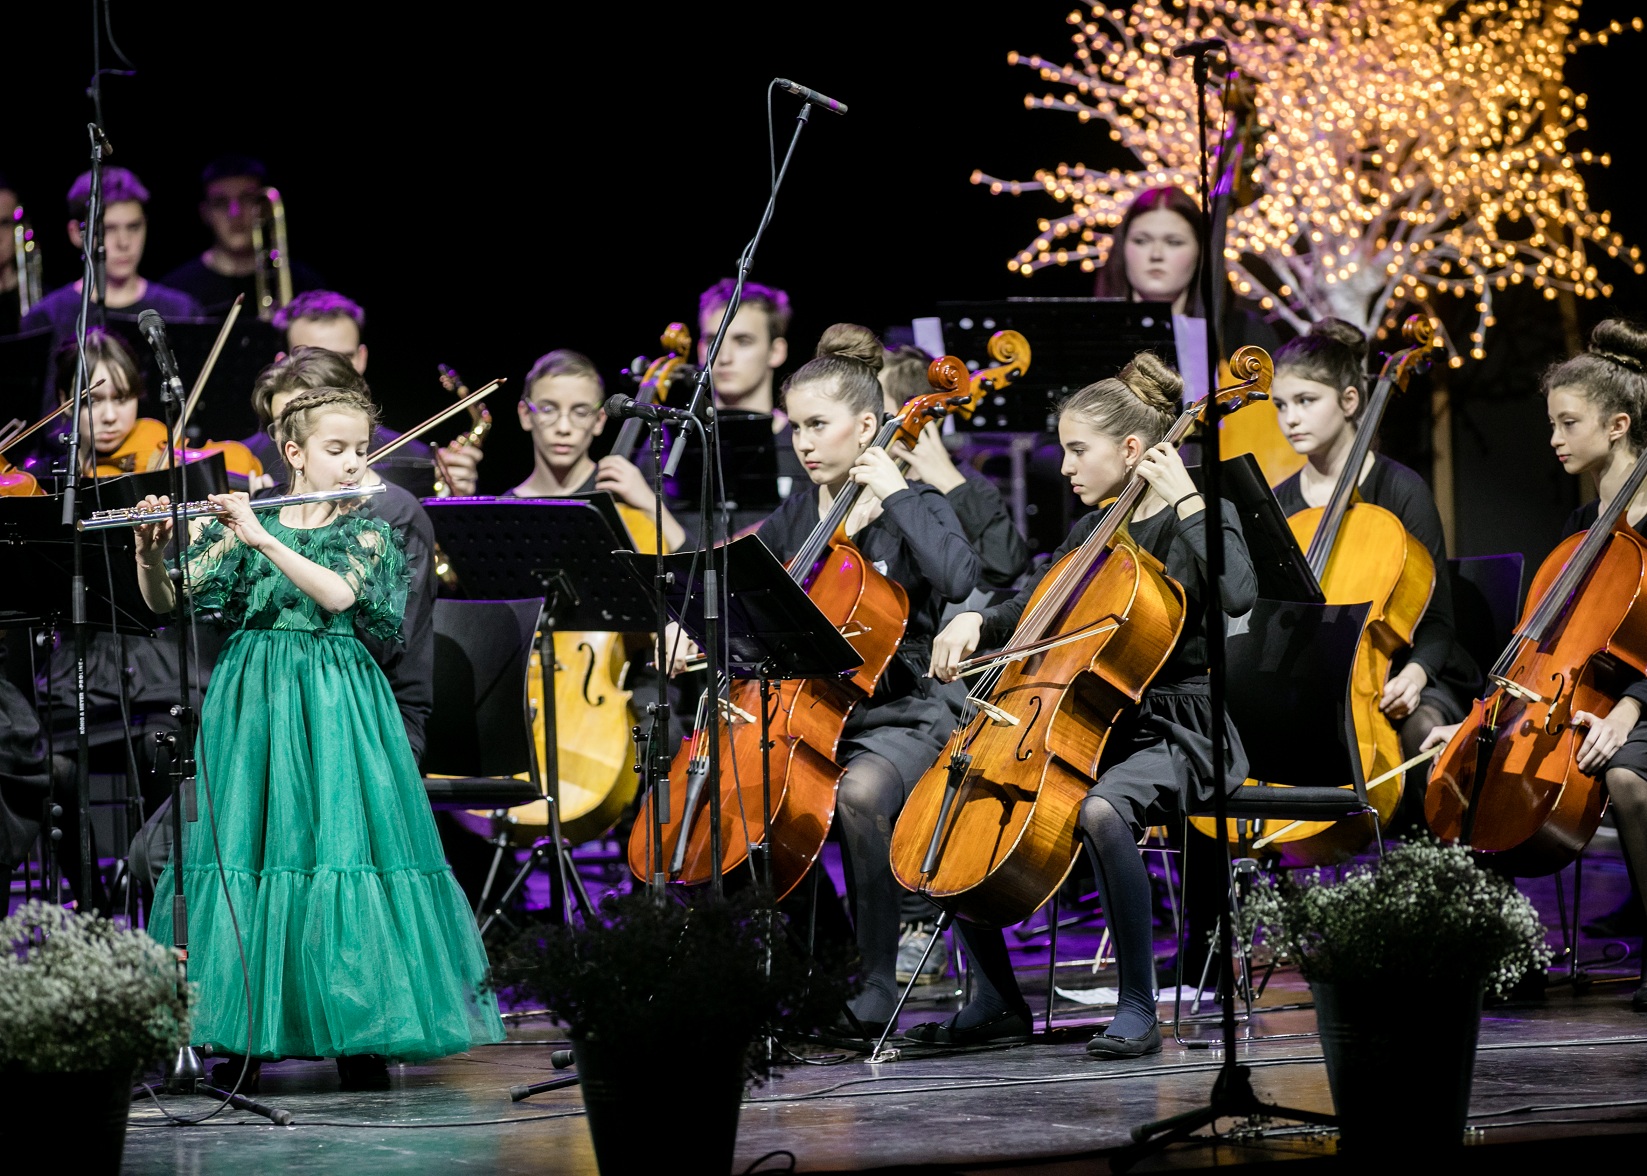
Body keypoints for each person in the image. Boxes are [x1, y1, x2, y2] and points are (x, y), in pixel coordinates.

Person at [135, 386, 505, 1089]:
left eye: (360, 449)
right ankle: (239, 1029)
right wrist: (148, 553)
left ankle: (358, 1033)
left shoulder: (366, 525)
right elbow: (167, 601)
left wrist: (261, 535)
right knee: (251, 851)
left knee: (339, 852)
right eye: (336, 450)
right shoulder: (247, 518)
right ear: (295, 453)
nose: (352, 463)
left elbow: (339, 596)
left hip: (337, 701)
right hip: (255, 704)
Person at [924, 352, 1257, 1058]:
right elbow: (1032, 604)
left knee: (1104, 809)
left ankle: (1137, 1004)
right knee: (959, 795)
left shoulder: (1203, 511)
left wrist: (1188, 502)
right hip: (1103, 723)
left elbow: (1237, 594)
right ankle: (994, 1000)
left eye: (1079, 449)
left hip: (1182, 726)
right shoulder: (1093, 530)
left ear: (1132, 449)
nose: (1066, 465)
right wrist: (975, 622)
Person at [713, 324, 978, 1036]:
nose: (802, 441)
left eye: (817, 425)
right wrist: (692, 624)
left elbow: (959, 576)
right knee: (754, 803)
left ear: (866, 426)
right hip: (826, 715)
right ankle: (822, 965)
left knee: (858, 795)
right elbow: (742, 578)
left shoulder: (914, 502)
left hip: (905, 715)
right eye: (796, 426)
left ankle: (876, 977)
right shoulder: (803, 509)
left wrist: (894, 493)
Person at [1423, 319, 1647, 1015]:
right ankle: (1510, 954)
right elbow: (1557, 647)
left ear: (1616, 425)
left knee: (1627, 778)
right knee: (1479, 768)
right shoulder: (1579, 524)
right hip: (1591, 697)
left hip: (1640, 699)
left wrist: (1629, 711)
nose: (1552, 437)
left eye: (1566, 422)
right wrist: (1480, 717)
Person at [1268, 318, 1479, 830]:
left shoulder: (1401, 490)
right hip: (1315, 682)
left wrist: (1415, 674)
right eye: (1280, 405)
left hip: (1401, 668)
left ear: (1348, 401)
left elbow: (1439, 622)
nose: (1290, 418)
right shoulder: (1281, 502)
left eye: (1305, 401)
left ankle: (1435, 877)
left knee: (1422, 728)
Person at [880, 342, 1032, 982]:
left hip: (962, 671)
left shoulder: (955, 489)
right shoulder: (857, 495)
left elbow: (1005, 567)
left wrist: (942, 472)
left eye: (881, 410)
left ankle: (927, 913)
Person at [1091, 185, 1294, 484]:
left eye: (1174, 242)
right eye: (1142, 241)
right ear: (1123, 249)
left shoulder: (1244, 333)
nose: (1156, 255)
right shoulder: (1094, 335)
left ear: (1200, 253)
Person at [244, 291, 478, 494]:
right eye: (313, 356)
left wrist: (455, 495)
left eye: (343, 358)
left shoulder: (418, 458)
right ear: (284, 363)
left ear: (362, 358)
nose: (331, 372)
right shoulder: (244, 460)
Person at [509, 348, 686, 550]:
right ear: (525, 414)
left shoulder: (624, 494)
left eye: (580, 411)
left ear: (599, 420)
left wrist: (649, 503)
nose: (563, 428)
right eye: (548, 409)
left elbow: (694, 575)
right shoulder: (502, 510)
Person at [19, 167, 202, 354]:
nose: (124, 243)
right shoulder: (46, 318)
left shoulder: (182, 311)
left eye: (133, 227)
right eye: (108, 229)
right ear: (76, 234)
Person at [160, 155, 326, 313]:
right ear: (205, 213)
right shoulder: (176, 291)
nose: (235, 213)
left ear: (264, 207)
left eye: (247, 198)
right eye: (221, 203)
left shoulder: (304, 284)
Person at [697, 277, 807, 495]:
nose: (724, 356)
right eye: (713, 341)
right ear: (700, 350)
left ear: (776, 352)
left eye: (743, 341)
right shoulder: (670, 443)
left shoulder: (804, 445)